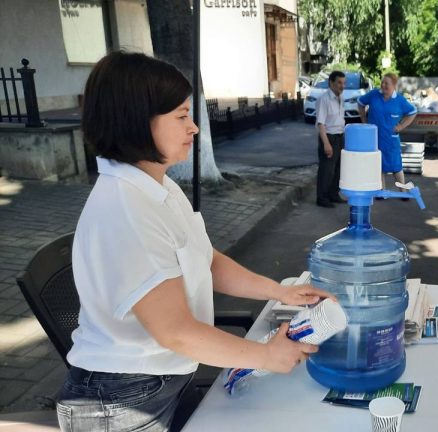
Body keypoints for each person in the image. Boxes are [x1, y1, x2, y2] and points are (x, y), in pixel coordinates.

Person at [56, 51, 334, 431]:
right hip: (120, 401)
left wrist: (280, 292)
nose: (194, 128)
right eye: (181, 117)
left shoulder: (158, 186)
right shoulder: (125, 208)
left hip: (163, 379)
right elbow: (176, 331)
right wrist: (266, 357)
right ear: (137, 122)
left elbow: (205, 258)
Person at [357, 72, 417, 191]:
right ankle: (382, 192)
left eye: (387, 83)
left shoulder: (400, 100)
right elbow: (360, 103)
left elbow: (413, 112)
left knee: (396, 167)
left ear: (394, 85)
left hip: (391, 139)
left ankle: (403, 191)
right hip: (374, 138)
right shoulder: (374, 94)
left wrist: (401, 126)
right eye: (382, 82)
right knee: (378, 165)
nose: (383, 85)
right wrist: (364, 120)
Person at [315, 70, 346, 208]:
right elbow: (320, 123)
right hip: (329, 137)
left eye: (343, 83)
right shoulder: (324, 99)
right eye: (339, 82)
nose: (342, 86)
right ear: (331, 83)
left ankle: (333, 194)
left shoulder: (341, 98)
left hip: (339, 137)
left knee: (338, 169)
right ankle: (322, 198)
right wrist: (326, 144)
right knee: (326, 170)